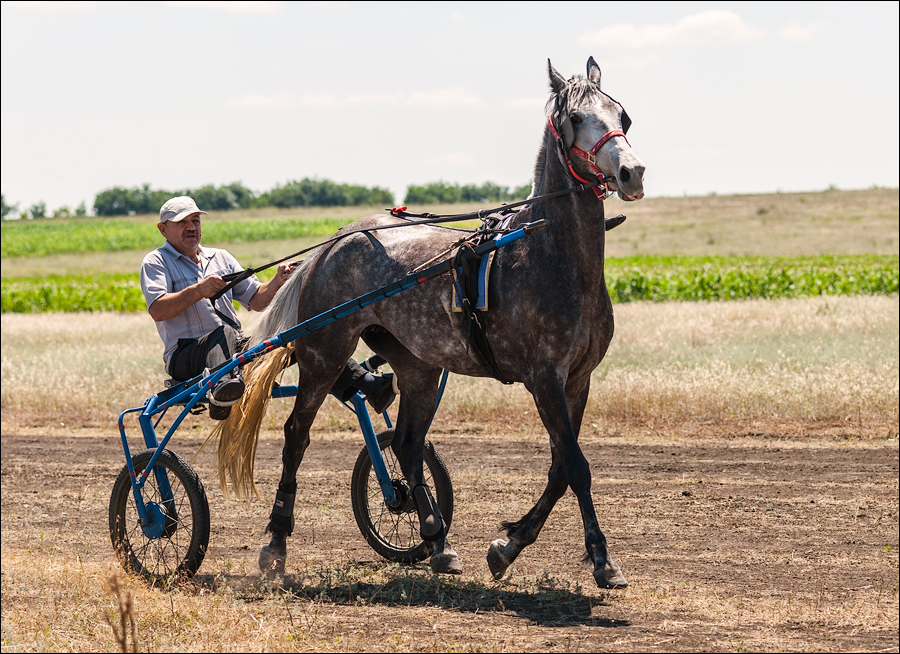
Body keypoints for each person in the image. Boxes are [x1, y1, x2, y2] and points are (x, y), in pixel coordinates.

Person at [140, 196, 396, 420]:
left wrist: (277, 281)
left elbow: (257, 300)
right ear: (163, 229)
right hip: (185, 357)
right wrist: (198, 290)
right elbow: (158, 310)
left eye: (195, 221)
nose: (191, 227)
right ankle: (222, 393)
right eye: (182, 222)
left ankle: (368, 385)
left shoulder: (220, 257)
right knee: (224, 333)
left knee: (300, 334)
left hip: (232, 352)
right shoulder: (156, 262)